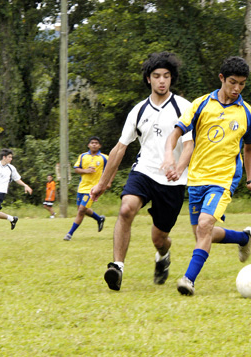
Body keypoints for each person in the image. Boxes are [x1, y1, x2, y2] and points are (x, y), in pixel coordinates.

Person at [90, 52, 194, 291]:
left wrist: (178, 169)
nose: (161, 81)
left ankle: (163, 256)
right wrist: (103, 183)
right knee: (126, 209)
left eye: (166, 76)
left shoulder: (184, 107)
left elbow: (190, 145)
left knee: (159, 239)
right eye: (156, 76)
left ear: (171, 79)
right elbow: (119, 149)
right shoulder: (138, 110)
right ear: (148, 79)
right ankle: (117, 267)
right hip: (144, 172)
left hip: (173, 182)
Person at [162, 56, 251, 296]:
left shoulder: (249, 114)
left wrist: (250, 179)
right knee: (201, 232)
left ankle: (189, 279)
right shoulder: (200, 105)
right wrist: (171, 158)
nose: (236, 88)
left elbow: (249, 148)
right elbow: (175, 133)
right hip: (196, 177)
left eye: (241, 84)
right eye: (232, 82)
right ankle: (243, 238)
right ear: (221, 78)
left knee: (206, 225)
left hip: (224, 178)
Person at [63, 136, 108, 241]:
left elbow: (112, 169)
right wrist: (86, 171)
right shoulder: (83, 156)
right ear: (88, 145)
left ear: (100, 145)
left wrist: (107, 183)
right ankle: (99, 218)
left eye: (96, 143)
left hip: (93, 189)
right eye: (92, 142)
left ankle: (69, 234)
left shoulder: (104, 158)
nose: (94, 144)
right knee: (81, 209)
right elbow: (76, 169)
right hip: (82, 187)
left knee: (82, 210)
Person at [0, 148, 33, 236]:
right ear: (4, 157)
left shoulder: (11, 168)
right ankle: (12, 219)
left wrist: (25, 185)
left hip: (1, 191)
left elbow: (17, 179)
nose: (11, 159)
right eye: (9, 157)